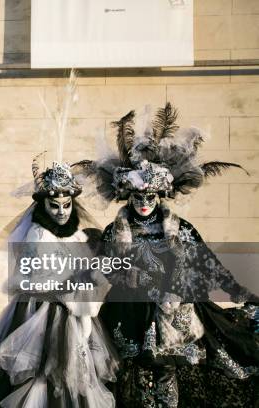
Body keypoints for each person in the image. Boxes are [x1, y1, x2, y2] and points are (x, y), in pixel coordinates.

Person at [75, 103, 259, 407]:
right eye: (138, 196)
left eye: (151, 196)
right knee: (135, 373)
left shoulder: (180, 228)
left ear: (160, 195)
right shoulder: (115, 230)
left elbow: (207, 262)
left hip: (173, 311)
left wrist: (236, 289)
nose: (145, 202)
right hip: (130, 311)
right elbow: (104, 265)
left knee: (167, 372)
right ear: (128, 195)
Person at [0, 157, 119, 408]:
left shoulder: (76, 232)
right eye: (54, 206)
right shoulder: (37, 234)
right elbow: (40, 279)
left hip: (73, 307)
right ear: (43, 204)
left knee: (74, 368)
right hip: (44, 312)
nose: (62, 212)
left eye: (67, 205)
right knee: (43, 368)